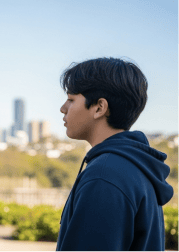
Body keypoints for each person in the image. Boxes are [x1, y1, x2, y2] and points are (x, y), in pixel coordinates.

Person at [57, 57, 173, 251]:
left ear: (99, 108)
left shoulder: (104, 175)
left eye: (71, 99)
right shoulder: (135, 165)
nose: (63, 108)